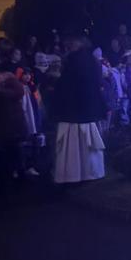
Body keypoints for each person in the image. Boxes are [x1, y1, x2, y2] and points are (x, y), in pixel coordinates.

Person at [50, 36, 106, 185]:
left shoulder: (76, 60)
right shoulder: (90, 59)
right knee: (84, 143)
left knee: (76, 144)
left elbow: (69, 83)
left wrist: (57, 82)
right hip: (85, 108)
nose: (70, 44)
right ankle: (89, 172)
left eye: (73, 42)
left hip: (74, 109)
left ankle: (74, 173)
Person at [0, 69, 28, 185]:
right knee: (10, 151)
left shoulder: (10, 86)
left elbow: (17, 92)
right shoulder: (2, 88)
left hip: (11, 127)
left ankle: (17, 174)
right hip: (5, 127)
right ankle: (12, 174)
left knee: (14, 150)